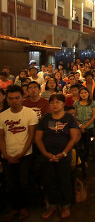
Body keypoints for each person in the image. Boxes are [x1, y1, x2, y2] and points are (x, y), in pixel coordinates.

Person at [35, 94, 80, 220]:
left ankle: (65, 205)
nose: (54, 104)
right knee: (49, 181)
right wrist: (45, 153)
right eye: (52, 102)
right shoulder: (45, 118)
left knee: (64, 181)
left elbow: (73, 138)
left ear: (63, 104)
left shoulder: (69, 118)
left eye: (57, 102)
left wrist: (64, 153)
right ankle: (52, 205)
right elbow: (38, 138)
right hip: (47, 156)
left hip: (63, 156)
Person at [0, 85, 38, 221]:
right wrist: (5, 154)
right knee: (10, 183)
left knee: (24, 182)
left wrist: (21, 153)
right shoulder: (2, 115)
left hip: (25, 154)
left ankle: (23, 208)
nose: (14, 101)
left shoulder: (30, 113)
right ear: (6, 99)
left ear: (23, 97)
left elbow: (31, 136)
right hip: (8, 154)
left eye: (17, 98)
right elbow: (1, 137)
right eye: (11, 98)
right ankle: (14, 208)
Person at [73, 87, 95, 176]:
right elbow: (74, 116)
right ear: (79, 95)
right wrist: (80, 126)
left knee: (87, 145)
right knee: (78, 145)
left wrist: (85, 126)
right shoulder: (76, 103)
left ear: (88, 94)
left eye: (85, 93)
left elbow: (93, 116)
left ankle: (85, 160)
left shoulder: (92, 103)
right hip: (78, 127)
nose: (83, 94)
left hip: (89, 127)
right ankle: (78, 161)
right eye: (82, 93)